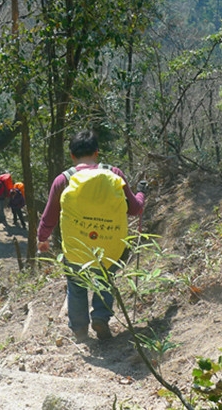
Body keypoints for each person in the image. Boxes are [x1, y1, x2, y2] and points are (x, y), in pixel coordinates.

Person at [37, 130, 146, 341]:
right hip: (109, 246)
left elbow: (49, 216)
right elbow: (134, 209)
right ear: (97, 152)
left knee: (76, 287)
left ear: (72, 155)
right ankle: (101, 318)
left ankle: (79, 330)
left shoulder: (63, 180)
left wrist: (43, 238)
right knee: (105, 280)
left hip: (76, 247)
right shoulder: (115, 173)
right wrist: (141, 193)